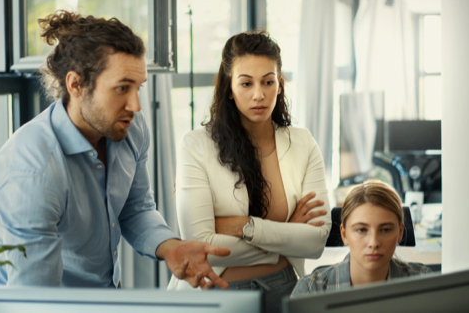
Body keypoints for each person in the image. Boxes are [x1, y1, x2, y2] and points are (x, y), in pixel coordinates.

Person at [0, 10, 230, 289]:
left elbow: (135, 208)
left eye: (138, 88)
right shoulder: (31, 168)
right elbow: (36, 297)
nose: (136, 106)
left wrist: (170, 246)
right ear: (75, 84)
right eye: (122, 88)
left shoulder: (130, 129)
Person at [167, 29, 332, 313]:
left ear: (280, 84)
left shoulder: (302, 142)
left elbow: (316, 241)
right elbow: (201, 244)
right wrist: (288, 236)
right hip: (218, 292)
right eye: (246, 84)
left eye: (268, 82)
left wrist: (246, 226)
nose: (259, 94)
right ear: (229, 87)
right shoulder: (196, 146)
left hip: (285, 290)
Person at [291, 180, 432, 297]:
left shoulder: (424, 282)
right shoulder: (311, 290)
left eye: (385, 230)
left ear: (400, 232)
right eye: (361, 230)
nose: (374, 243)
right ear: (344, 234)